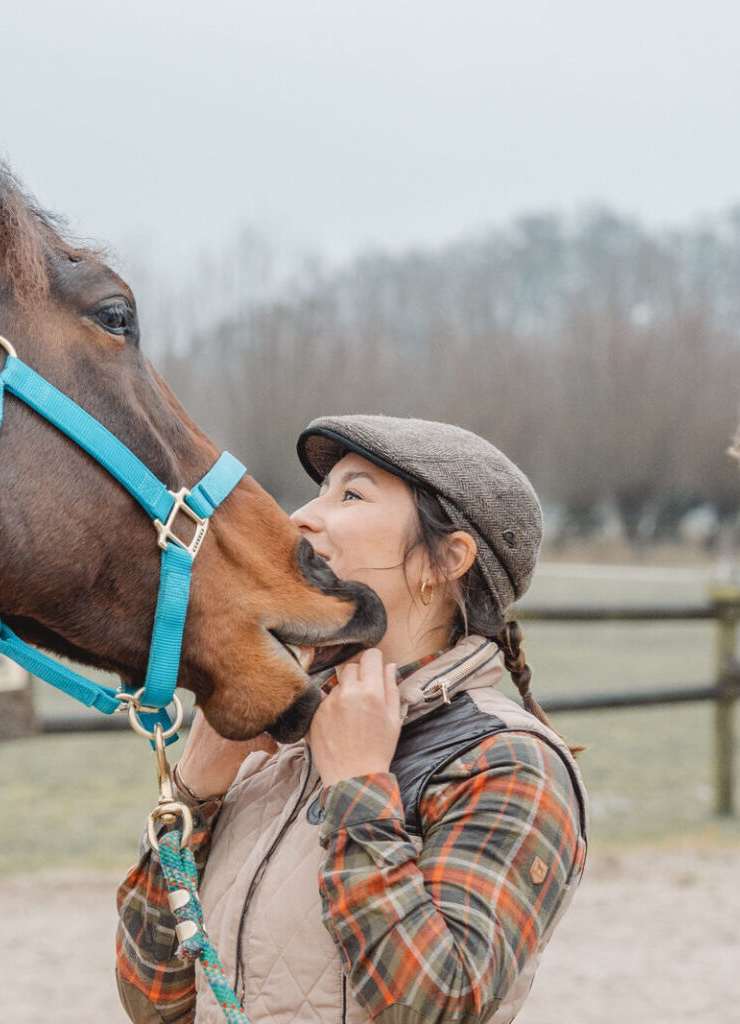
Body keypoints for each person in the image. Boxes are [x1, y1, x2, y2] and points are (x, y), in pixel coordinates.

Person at [116, 414, 587, 1024]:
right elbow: (154, 1001)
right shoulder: (280, 742)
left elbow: (439, 1004)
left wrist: (357, 790)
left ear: (446, 559)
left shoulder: (508, 762)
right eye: (319, 492)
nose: (301, 517)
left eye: (352, 494)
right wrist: (193, 794)